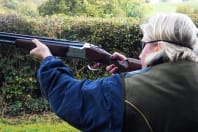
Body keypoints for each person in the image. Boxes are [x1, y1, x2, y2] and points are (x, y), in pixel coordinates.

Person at [30, 13, 198, 132]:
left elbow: (71, 97)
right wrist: (137, 71)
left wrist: (47, 59)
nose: (140, 53)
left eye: (143, 44)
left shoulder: (121, 88)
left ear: (158, 47)